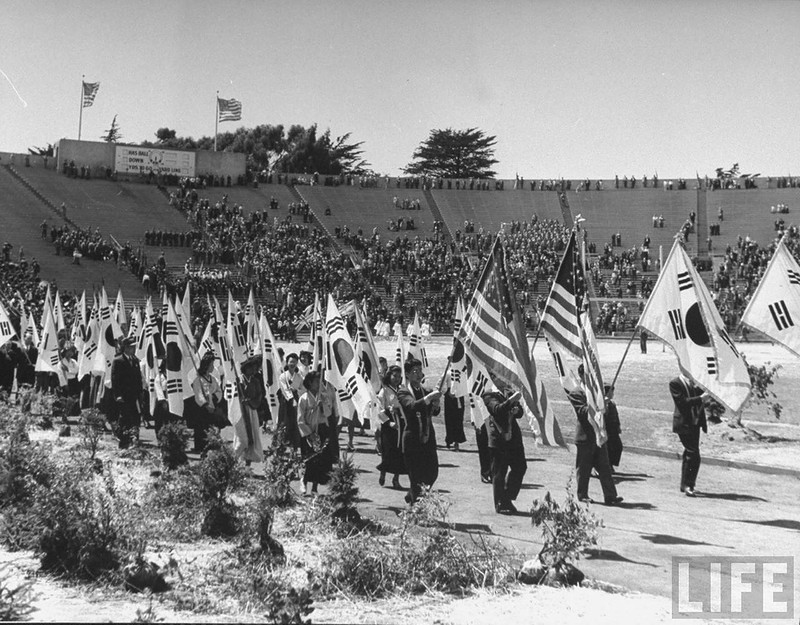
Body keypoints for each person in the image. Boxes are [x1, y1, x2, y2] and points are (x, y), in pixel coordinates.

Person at [567, 365, 623, 505]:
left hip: (599, 435)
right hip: (585, 437)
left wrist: (605, 405)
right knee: (584, 468)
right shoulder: (576, 393)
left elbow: (605, 413)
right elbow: (582, 412)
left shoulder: (597, 391)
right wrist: (598, 405)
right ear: (582, 376)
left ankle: (610, 496)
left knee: (605, 468)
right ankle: (582, 494)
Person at [397, 358, 440, 504]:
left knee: (432, 472)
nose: (418, 374)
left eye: (420, 371)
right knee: (416, 476)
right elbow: (411, 406)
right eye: (414, 371)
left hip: (428, 437)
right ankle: (416, 505)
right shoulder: (403, 392)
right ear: (407, 374)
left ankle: (412, 496)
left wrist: (436, 403)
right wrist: (428, 399)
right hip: (412, 440)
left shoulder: (425, 390)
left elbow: (433, 412)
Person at [482, 382, 527, 514]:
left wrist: (517, 410)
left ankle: (507, 497)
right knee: (499, 472)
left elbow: (519, 412)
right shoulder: (488, 395)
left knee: (520, 467)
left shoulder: (509, 391)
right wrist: (511, 401)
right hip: (499, 438)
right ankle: (500, 503)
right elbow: (497, 409)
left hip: (513, 438)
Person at [669, 374, 708, 497]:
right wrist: (701, 398)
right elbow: (682, 403)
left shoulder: (696, 383)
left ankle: (684, 484)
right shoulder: (675, 383)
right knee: (693, 453)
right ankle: (688, 485)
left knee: (689, 453)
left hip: (694, 423)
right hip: (683, 424)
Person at [297, 371, 331, 495]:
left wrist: (322, 406)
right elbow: (300, 419)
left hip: (321, 430)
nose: (319, 384)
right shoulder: (303, 399)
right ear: (310, 383)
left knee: (320, 460)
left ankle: (315, 487)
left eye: (320, 381)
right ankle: (304, 481)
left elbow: (328, 414)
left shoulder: (324, 397)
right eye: (316, 381)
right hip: (308, 431)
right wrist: (309, 433)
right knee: (308, 459)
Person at [189, 352, 228, 453]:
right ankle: (199, 448)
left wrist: (215, 398)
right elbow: (198, 394)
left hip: (213, 406)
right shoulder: (198, 380)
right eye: (211, 365)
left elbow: (219, 391)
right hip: (202, 409)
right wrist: (205, 404)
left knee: (211, 429)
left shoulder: (213, 379)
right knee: (201, 429)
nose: (213, 367)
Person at [376, 365, 406, 489]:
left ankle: (396, 479)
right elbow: (379, 409)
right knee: (387, 451)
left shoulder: (402, 390)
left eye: (399, 376)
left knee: (400, 452)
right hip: (389, 425)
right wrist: (388, 422)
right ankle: (383, 473)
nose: (397, 378)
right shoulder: (384, 391)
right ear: (389, 376)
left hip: (401, 423)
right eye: (394, 376)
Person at [110, 337, 143, 449]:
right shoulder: (118, 360)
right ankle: (123, 442)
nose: (133, 349)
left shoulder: (135, 360)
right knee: (125, 418)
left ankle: (134, 440)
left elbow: (138, 378)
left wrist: (140, 393)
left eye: (134, 347)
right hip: (124, 395)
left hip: (134, 395)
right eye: (131, 347)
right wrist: (117, 395)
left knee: (135, 417)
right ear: (126, 348)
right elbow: (115, 379)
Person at [238, 355, 265, 464]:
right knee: (242, 435)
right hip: (241, 410)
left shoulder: (255, 381)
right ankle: (236, 457)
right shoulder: (239, 380)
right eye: (250, 368)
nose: (253, 370)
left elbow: (259, 395)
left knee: (252, 435)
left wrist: (250, 401)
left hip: (252, 409)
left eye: (254, 368)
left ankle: (248, 461)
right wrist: (241, 400)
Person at [278, 352, 303, 448]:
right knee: (284, 422)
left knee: (295, 423)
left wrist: (297, 396)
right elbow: (284, 389)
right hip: (286, 401)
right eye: (290, 362)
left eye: (294, 362)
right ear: (287, 363)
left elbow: (302, 388)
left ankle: (295, 445)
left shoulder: (299, 377)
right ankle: (281, 444)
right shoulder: (283, 376)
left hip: (296, 400)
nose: (292, 364)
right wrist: (291, 399)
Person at [604, 385, 623, 472]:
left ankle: (611, 464)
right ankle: (607, 465)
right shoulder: (603, 404)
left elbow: (616, 415)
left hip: (614, 429)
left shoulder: (612, 403)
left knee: (618, 446)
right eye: (611, 392)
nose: (613, 394)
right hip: (607, 429)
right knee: (607, 448)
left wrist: (618, 426)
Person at [443, 380, 466, 451]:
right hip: (449, 397)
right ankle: (449, 440)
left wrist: (460, 391)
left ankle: (457, 441)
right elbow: (440, 385)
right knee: (449, 419)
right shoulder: (447, 372)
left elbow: (465, 384)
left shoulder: (461, 372)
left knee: (458, 420)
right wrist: (446, 392)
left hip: (459, 396)